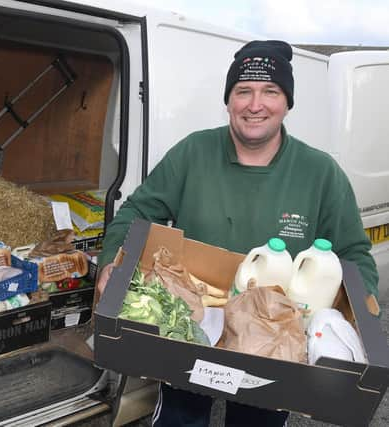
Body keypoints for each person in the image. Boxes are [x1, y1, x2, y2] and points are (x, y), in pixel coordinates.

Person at [96, 40, 378, 427]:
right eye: (243, 91)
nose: (255, 104)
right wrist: (113, 263)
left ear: (287, 102)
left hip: (272, 344)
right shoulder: (193, 153)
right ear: (229, 100)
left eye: (270, 92)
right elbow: (137, 212)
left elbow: (353, 253)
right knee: (180, 417)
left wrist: (361, 317)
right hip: (191, 329)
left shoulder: (320, 173)